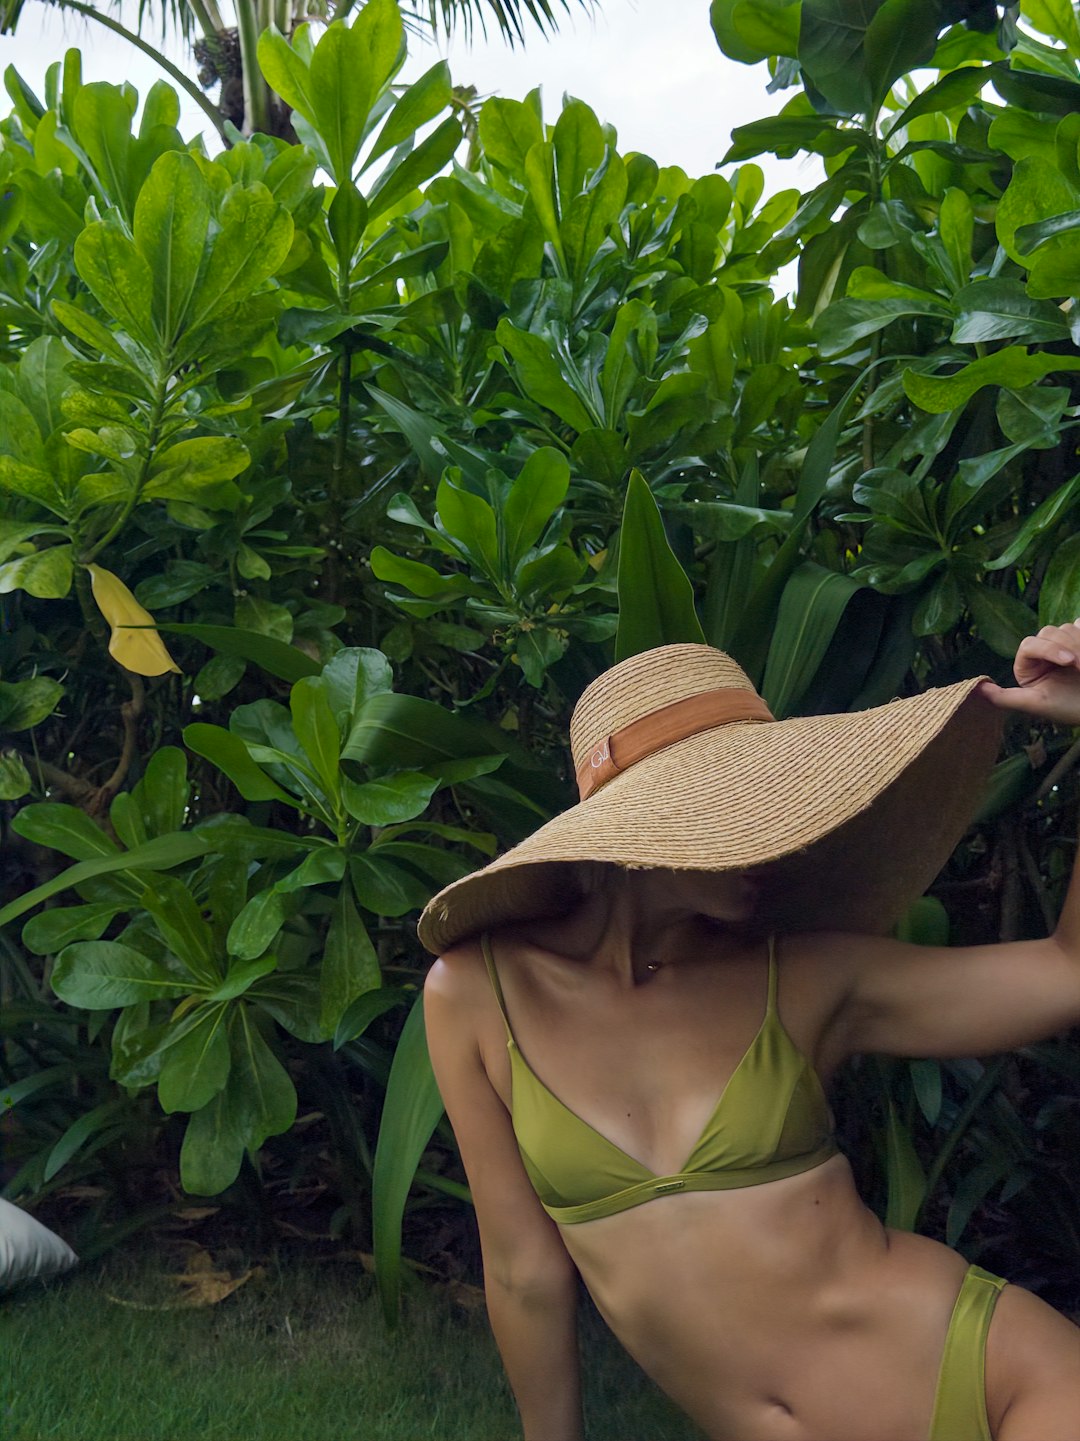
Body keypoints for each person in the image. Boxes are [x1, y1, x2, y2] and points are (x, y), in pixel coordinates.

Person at [420, 628, 1080, 1441]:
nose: (774, 835)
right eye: (731, 806)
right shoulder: (476, 994)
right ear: (638, 830)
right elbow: (524, 1272)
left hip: (998, 1381)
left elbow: (1066, 974)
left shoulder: (803, 976)